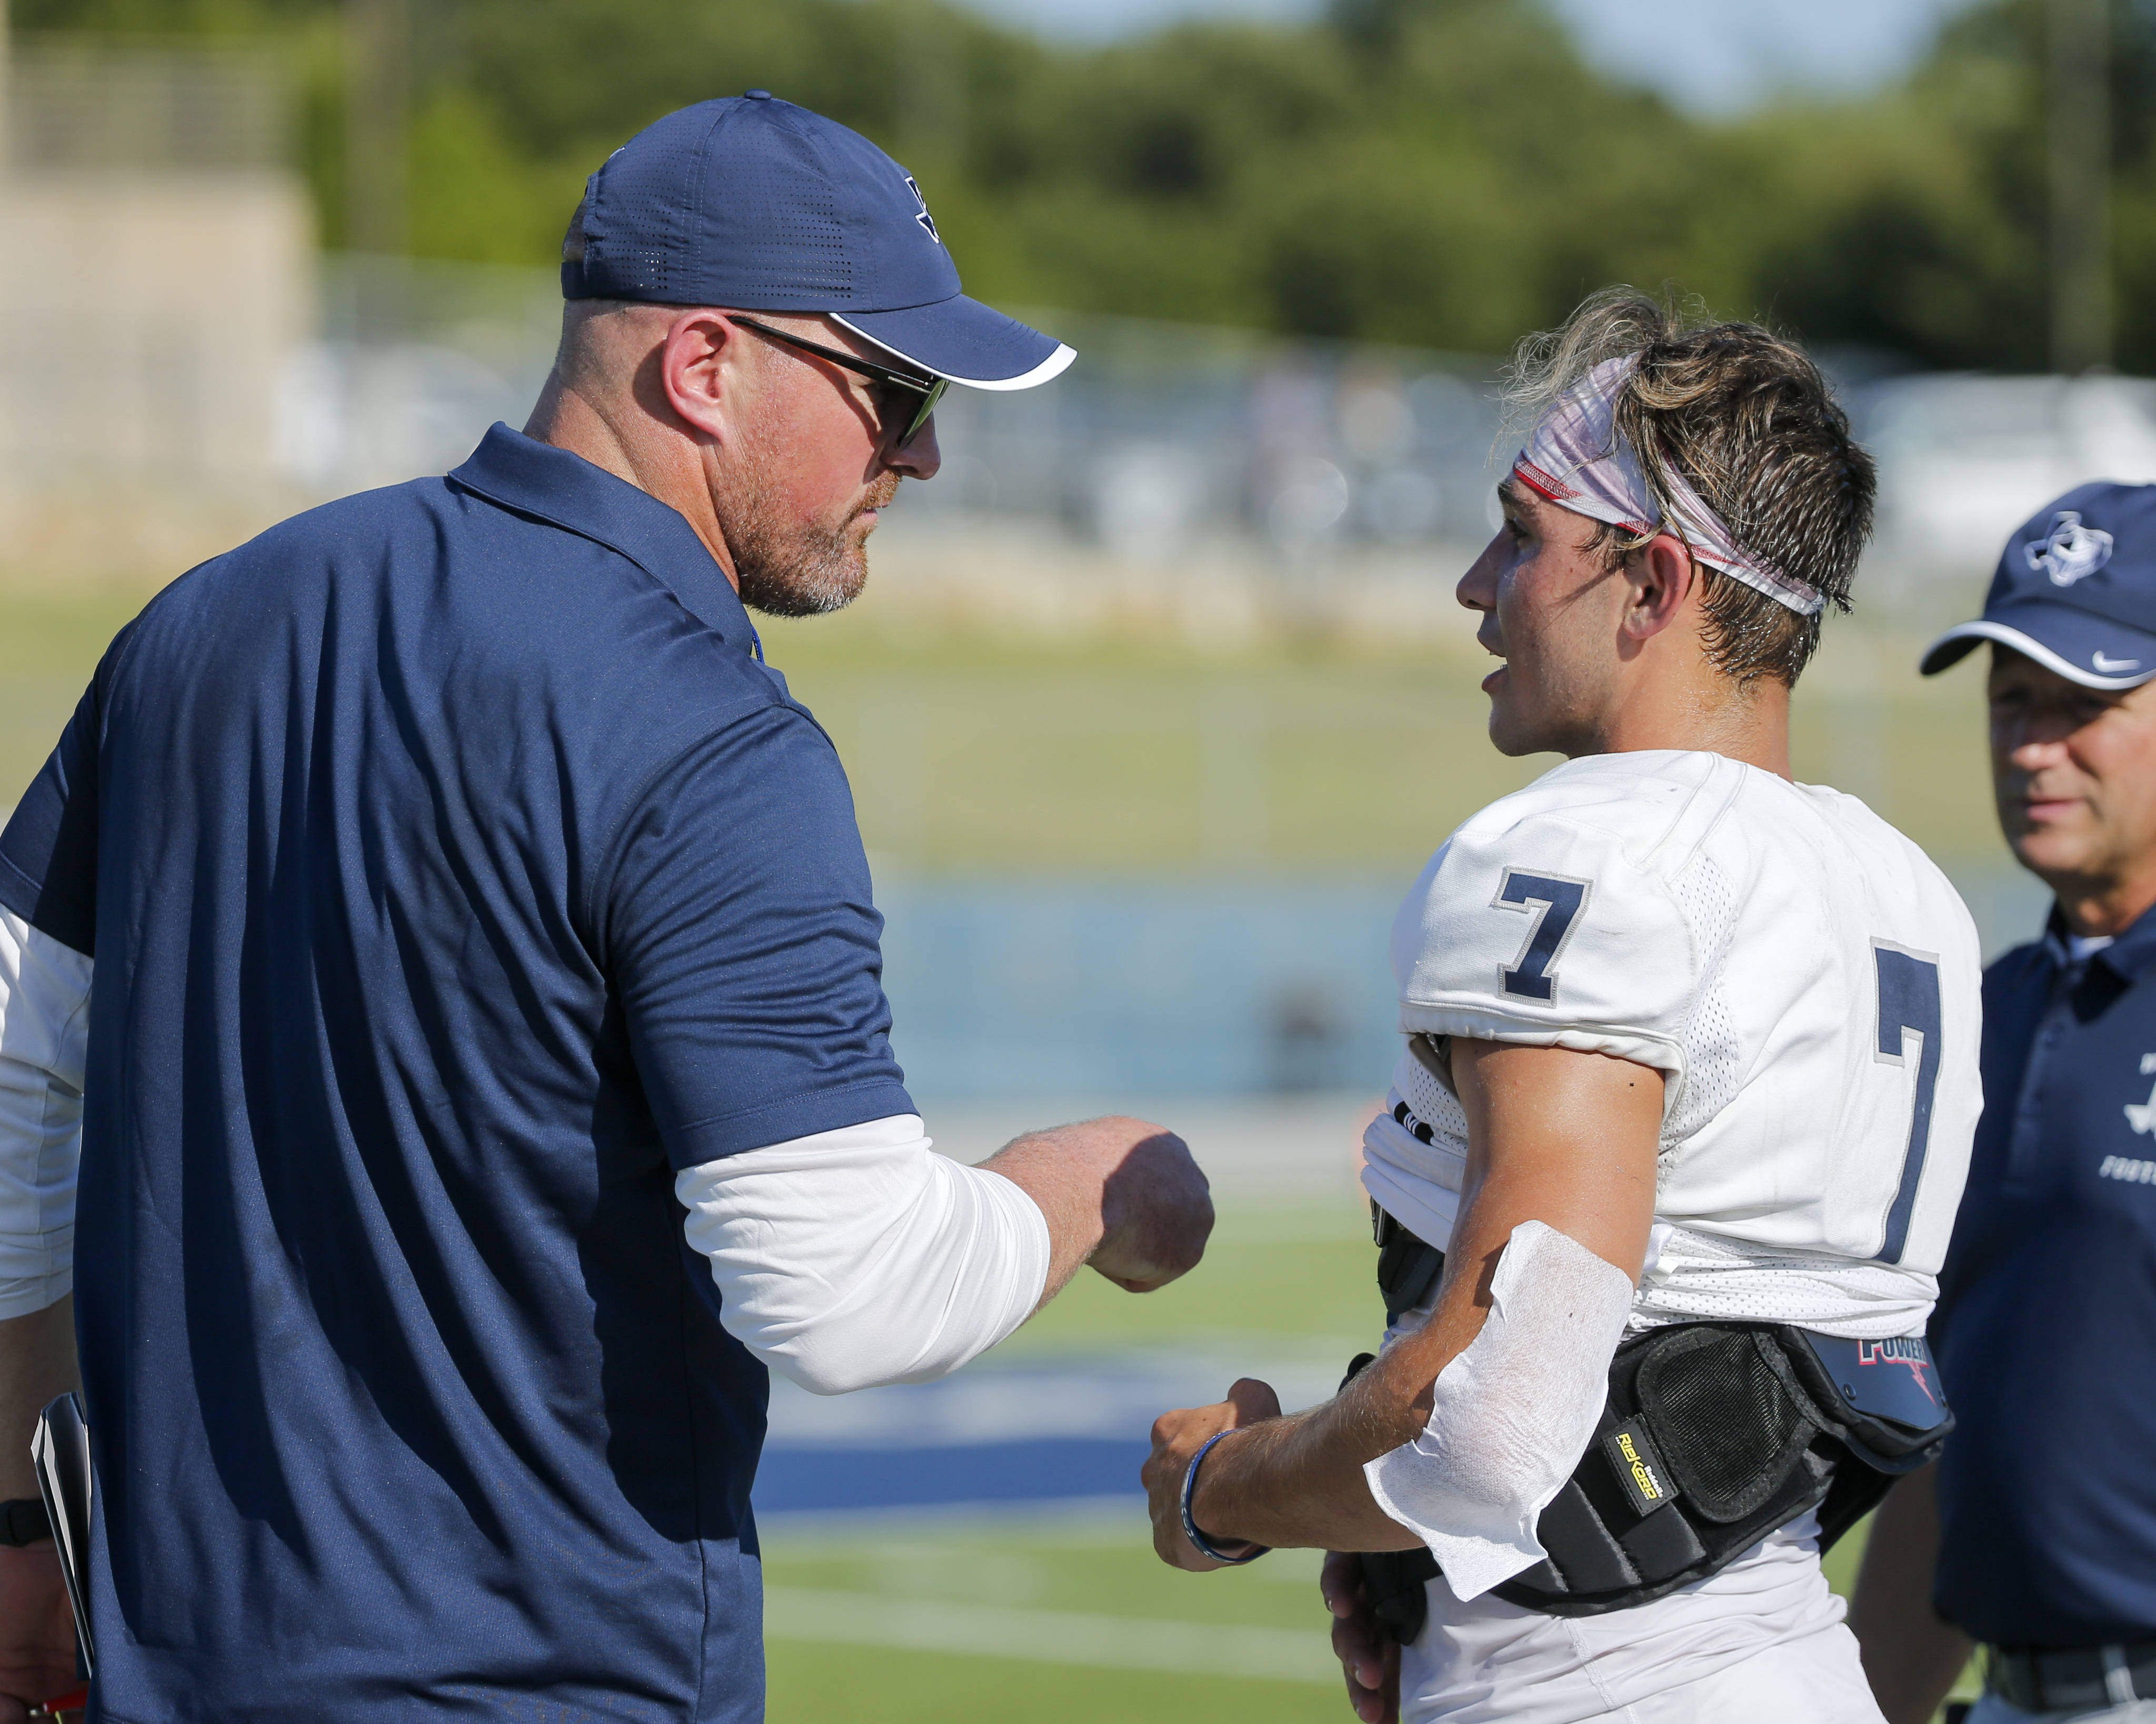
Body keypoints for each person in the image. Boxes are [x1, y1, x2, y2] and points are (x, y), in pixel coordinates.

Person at [0, 94, 1213, 1722]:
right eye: (895, 392)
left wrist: (19, 1512)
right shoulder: (709, 734)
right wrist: (1091, 1188)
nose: (921, 451)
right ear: (703, 365)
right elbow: (848, 1293)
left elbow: (14, 1082)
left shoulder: (207, 620)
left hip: (176, 1669)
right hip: (550, 1675)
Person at [1141, 288, 1982, 1723]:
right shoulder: (1908, 892)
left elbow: (1499, 1411)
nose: (1478, 583)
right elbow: (1798, 1381)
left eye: (1524, 536)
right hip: (1778, 1657)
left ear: (1652, 584)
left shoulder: (1586, 849)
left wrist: (1224, 1491)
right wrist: (1426, 1568)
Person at [1850, 483, 2156, 1724]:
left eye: (2085, 705)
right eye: (2010, 703)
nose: (2034, 747)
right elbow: (1947, 1437)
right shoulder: (1980, 1016)